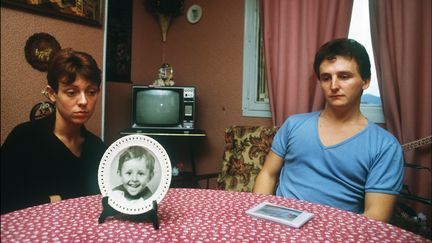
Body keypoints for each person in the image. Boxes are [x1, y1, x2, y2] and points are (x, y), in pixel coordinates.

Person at [253, 38, 404, 222]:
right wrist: (258, 218)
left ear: (365, 81)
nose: (334, 86)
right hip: (277, 225)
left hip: (336, 234)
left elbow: (376, 216)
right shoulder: (293, 125)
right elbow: (268, 174)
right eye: (326, 78)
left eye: (344, 76)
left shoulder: (385, 146)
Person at [1, 48, 106, 214]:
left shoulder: (97, 148)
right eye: (71, 92)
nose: (84, 101)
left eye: (91, 92)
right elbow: (7, 198)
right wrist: (53, 200)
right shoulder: (23, 138)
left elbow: (101, 200)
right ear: (52, 94)